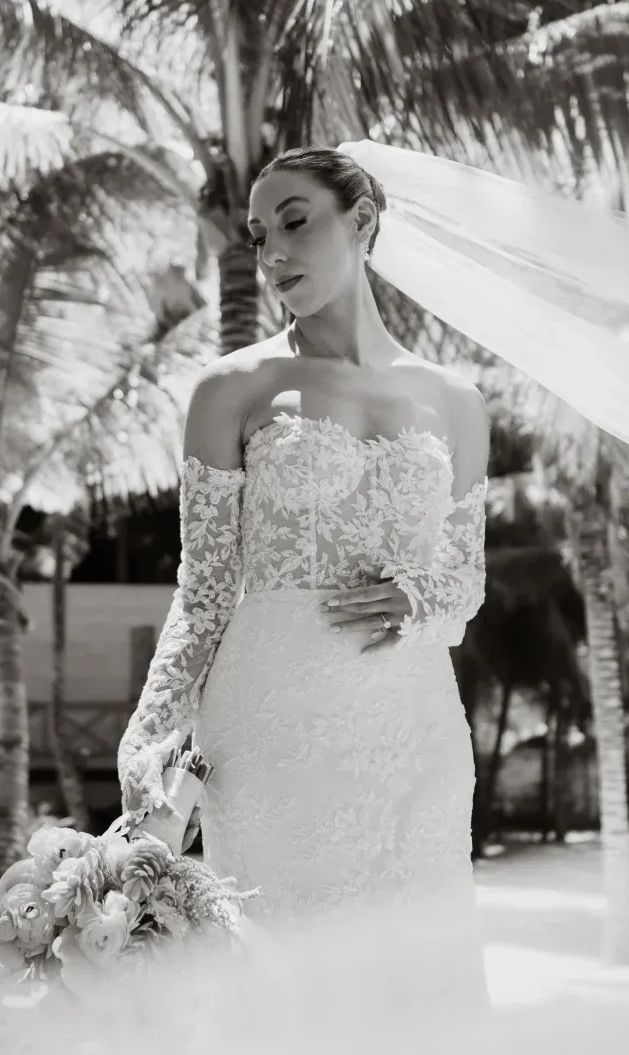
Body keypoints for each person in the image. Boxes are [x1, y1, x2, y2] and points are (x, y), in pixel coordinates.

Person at [115, 147, 491, 1019]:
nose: (274, 253)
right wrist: (149, 735)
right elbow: (203, 591)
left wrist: (417, 596)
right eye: (258, 236)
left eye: (296, 222)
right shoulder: (233, 389)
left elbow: (465, 581)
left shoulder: (456, 400)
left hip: (414, 729)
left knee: (418, 977)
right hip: (269, 732)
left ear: (361, 222)